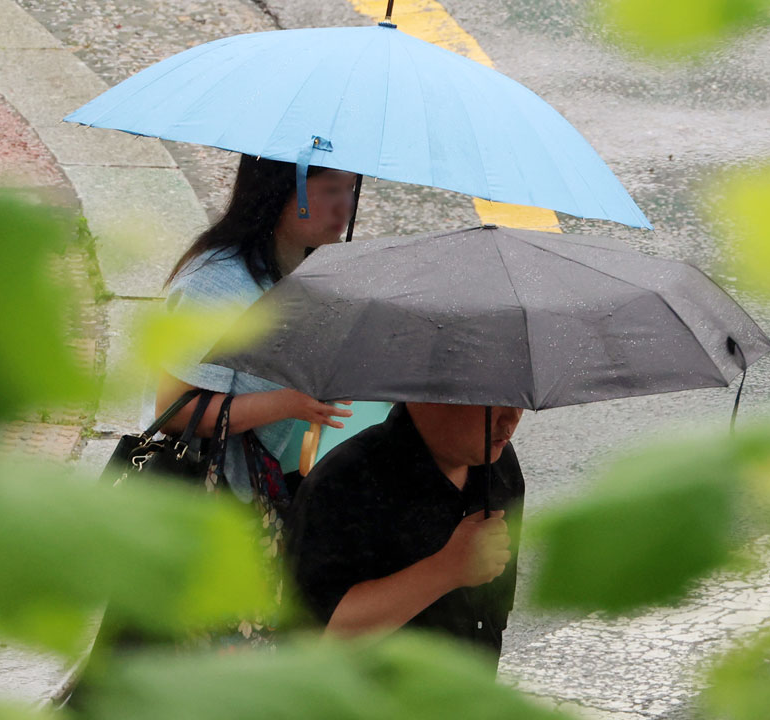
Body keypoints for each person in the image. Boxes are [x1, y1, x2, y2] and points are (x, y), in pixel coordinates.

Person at [146, 154, 356, 500]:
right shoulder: (217, 284)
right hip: (209, 494)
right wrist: (291, 403)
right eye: (331, 189)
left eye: (349, 189)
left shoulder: (303, 265)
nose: (344, 207)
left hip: (273, 478)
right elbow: (175, 411)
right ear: (277, 191)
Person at [285, 402, 526, 668]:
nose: (511, 419)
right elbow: (314, 640)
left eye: (517, 401)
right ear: (427, 396)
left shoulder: (499, 463)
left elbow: (493, 611)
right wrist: (446, 568)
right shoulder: (345, 481)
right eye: (491, 402)